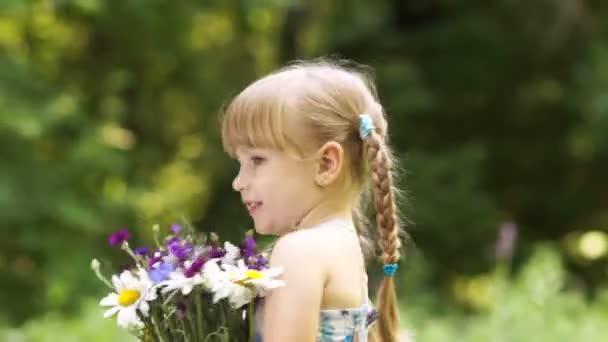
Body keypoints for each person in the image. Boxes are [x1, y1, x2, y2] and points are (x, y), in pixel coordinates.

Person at [221, 59, 406, 342]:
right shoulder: (344, 247)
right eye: (240, 162)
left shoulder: (299, 251)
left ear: (326, 164)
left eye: (257, 160)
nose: (239, 182)